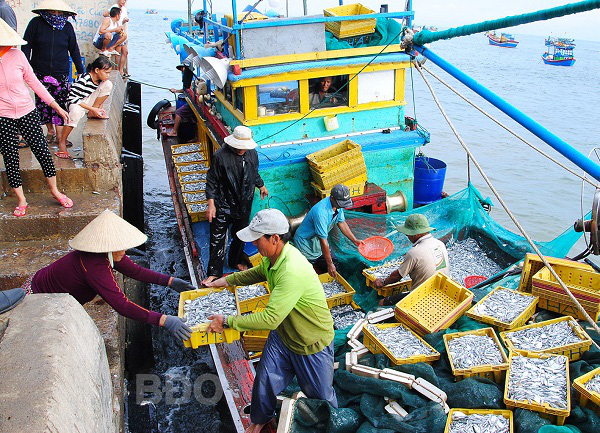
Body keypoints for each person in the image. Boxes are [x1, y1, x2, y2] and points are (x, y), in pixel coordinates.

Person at [205, 209, 337, 433]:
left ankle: (335, 424)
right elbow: (257, 273)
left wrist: (228, 321)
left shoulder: (291, 270)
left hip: (310, 343)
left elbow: (270, 318)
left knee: (322, 397)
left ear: (275, 238)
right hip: (284, 335)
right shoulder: (273, 257)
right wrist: (224, 281)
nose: (255, 244)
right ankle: (260, 419)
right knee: (264, 379)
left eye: (258, 240)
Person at [26, 210, 195, 341]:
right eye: (121, 247)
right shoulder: (95, 266)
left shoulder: (107, 253)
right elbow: (122, 305)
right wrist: (164, 320)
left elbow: (135, 271)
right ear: (109, 246)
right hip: (40, 299)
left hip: (54, 292)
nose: (125, 251)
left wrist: (170, 281)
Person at [0, 19, 73, 217]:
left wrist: (56, 106)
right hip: (3, 116)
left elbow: (34, 83)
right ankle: (21, 199)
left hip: (26, 111)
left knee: (42, 152)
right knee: (10, 157)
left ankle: (55, 190)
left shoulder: (17, 56)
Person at [202, 126, 268, 284]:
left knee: (241, 234)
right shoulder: (220, 157)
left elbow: (254, 172)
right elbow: (212, 181)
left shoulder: (252, 154)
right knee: (217, 237)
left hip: (244, 202)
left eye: (244, 147)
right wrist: (211, 204)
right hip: (223, 203)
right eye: (239, 146)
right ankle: (214, 272)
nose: (242, 150)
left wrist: (261, 185)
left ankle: (235, 261)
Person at [22, 0, 84, 147]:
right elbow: (26, 45)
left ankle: (59, 136)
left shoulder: (67, 27)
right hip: (39, 72)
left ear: (64, 13)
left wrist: (81, 70)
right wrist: (26, 67)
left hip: (61, 72)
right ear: (45, 11)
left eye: (59, 13)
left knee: (61, 104)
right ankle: (50, 131)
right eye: (52, 12)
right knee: (43, 103)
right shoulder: (35, 24)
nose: (56, 15)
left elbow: (74, 49)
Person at [375, 213, 450, 306]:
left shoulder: (414, 252)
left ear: (415, 234)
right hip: (442, 290)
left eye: (408, 234)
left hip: (423, 297)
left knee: (382, 303)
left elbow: (397, 276)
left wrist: (383, 282)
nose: (408, 237)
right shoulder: (439, 243)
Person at [293, 184, 362, 277]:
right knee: (307, 273)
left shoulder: (337, 205)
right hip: (306, 244)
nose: (341, 206)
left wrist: (354, 240)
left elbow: (342, 223)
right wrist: (329, 265)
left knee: (334, 263)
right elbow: (323, 241)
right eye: (340, 204)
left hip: (318, 243)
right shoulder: (321, 212)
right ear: (332, 198)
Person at [56, 56, 114, 159]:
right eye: (106, 72)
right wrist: (93, 108)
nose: (108, 75)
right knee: (75, 114)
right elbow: (72, 98)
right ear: (96, 70)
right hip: (76, 102)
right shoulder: (84, 80)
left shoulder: (101, 81)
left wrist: (96, 108)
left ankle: (92, 112)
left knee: (108, 85)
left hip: (87, 101)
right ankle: (62, 141)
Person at [168, 55, 198, 141]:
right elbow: (184, 90)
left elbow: (190, 90)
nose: (182, 70)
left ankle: (174, 131)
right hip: (190, 100)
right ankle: (195, 137)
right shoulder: (186, 79)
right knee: (192, 119)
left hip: (193, 102)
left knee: (179, 112)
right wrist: (176, 91)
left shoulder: (191, 79)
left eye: (183, 68)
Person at [103, 0, 129, 77]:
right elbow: (105, 14)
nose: (124, 2)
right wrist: (111, 15)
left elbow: (121, 21)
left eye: (125, 0)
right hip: (115, 31)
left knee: (125, 52)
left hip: (120, 30)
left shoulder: (124, 9)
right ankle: (117, 70)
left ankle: (121, 70)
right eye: (122, 0)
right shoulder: (114, 7)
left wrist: (124, 21)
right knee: (118, 51)